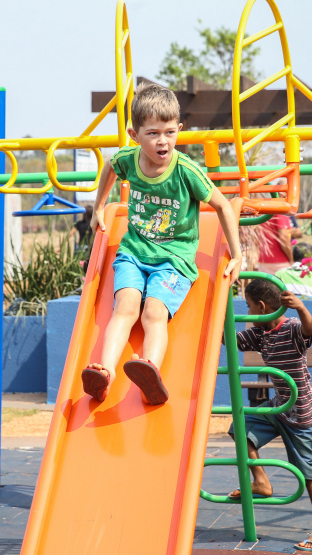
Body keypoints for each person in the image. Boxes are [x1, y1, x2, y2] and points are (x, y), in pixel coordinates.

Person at [81, 82, 242, 405]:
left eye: (170, 132)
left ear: (179, 130)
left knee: (153, 313)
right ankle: (105, 372)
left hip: (174, 260)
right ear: (134, 134)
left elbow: (224, 205)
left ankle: (150, 372)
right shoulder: (128, 159)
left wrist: (237, 254)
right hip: (133, 252)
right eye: (153, 133)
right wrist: (99, 206)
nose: (163, 141)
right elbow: (110, 167)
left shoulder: (186, 171)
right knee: (125, 307)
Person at [227, 278, 312, 552]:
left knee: (308, 471)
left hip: (299, 413)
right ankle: (261, 482)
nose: (247, 313)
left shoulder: (291, 329)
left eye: (249, 307)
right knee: (240, 426)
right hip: (278, 406)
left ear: (262, 306)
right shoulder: (259, 332)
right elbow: (230, 339)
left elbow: (309, 329)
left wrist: (301, 307)